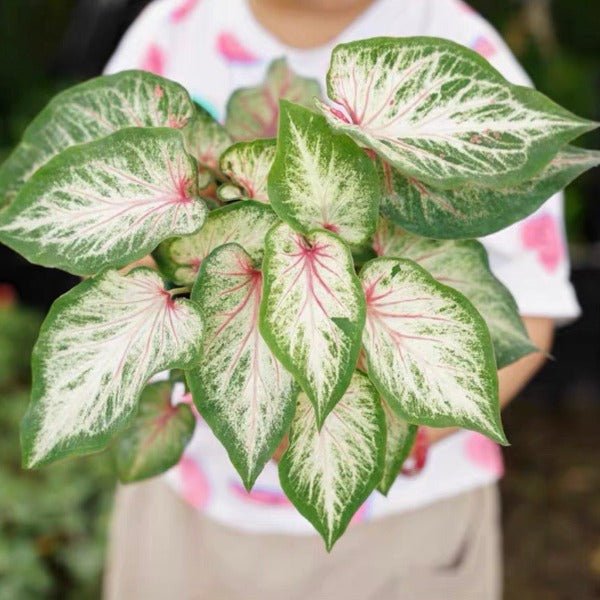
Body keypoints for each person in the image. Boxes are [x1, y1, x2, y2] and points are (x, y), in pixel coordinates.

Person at [102, 1, 581, 598]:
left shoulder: (452, 41)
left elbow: (528, 315)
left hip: (404, 522)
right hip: (197, 502)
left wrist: (403, 433)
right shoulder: (174, 29)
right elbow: (114, 235)